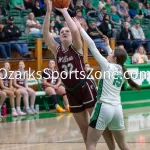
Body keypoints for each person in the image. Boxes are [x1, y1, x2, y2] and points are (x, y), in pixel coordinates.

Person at [43, 1, 115, 149]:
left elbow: (76, 31)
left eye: (66, 31)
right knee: (84, 128)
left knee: (98, 123)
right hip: (71, 92)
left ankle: (112, 148)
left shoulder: (76, 46)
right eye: (62, 31)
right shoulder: (56, 50)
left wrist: (63, 11)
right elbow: (45, 35)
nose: (64, 32)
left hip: (85, 87)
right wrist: (49, 12)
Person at [73, 18, 140, 150]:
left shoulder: (107, 66)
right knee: (123, 144)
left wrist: (80, 29)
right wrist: (108, 45)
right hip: (117, 109)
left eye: (111, 53)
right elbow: (115, 56)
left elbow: (91, 45)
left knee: (91, 143)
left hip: (104, 107)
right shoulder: (122, 68)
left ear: (114, 58)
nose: (108, 53)